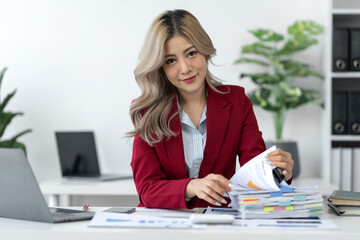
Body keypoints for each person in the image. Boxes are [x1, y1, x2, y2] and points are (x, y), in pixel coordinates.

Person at [128, 9, 294, 209]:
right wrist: (192, 186)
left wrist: (278, 171)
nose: (185, 68)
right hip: (166, 226)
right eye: (170, 60)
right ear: (160, 67)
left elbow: (255, 172)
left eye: (191, 53)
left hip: (220, 225)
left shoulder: (236, 101)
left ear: (205, 50)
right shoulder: (147, 112)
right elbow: (147, 190)